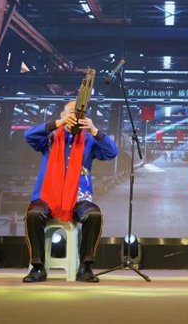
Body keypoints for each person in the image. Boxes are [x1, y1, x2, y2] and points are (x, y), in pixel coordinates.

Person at [22, 101, 118, 283]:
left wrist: (94, 129)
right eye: (71, 113)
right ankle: (37, 267)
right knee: (34, 214)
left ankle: (85, 267)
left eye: (79, 114)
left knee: (94, 215)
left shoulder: (89, 140)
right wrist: (57, 124)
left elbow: (112, 152)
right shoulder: (49, 138)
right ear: (62, 115)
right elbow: (29, 136)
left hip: (79, 198)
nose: (74, 116)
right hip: (47, 196)